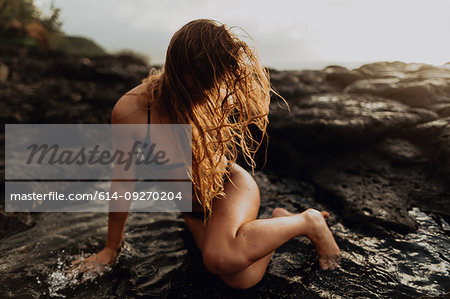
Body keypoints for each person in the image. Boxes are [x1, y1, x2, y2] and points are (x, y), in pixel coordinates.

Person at [72, 19, 340, 289]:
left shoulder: (218, 92)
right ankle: (282, 222)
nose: (209, 91)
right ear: (178, 71)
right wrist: (110, 250)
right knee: (241, 278)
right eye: (199, 83)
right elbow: (122, 181)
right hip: (192, 211)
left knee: (220, 258)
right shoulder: (132, 112)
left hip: (230, 188)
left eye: (214, 81)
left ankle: (310, 220)